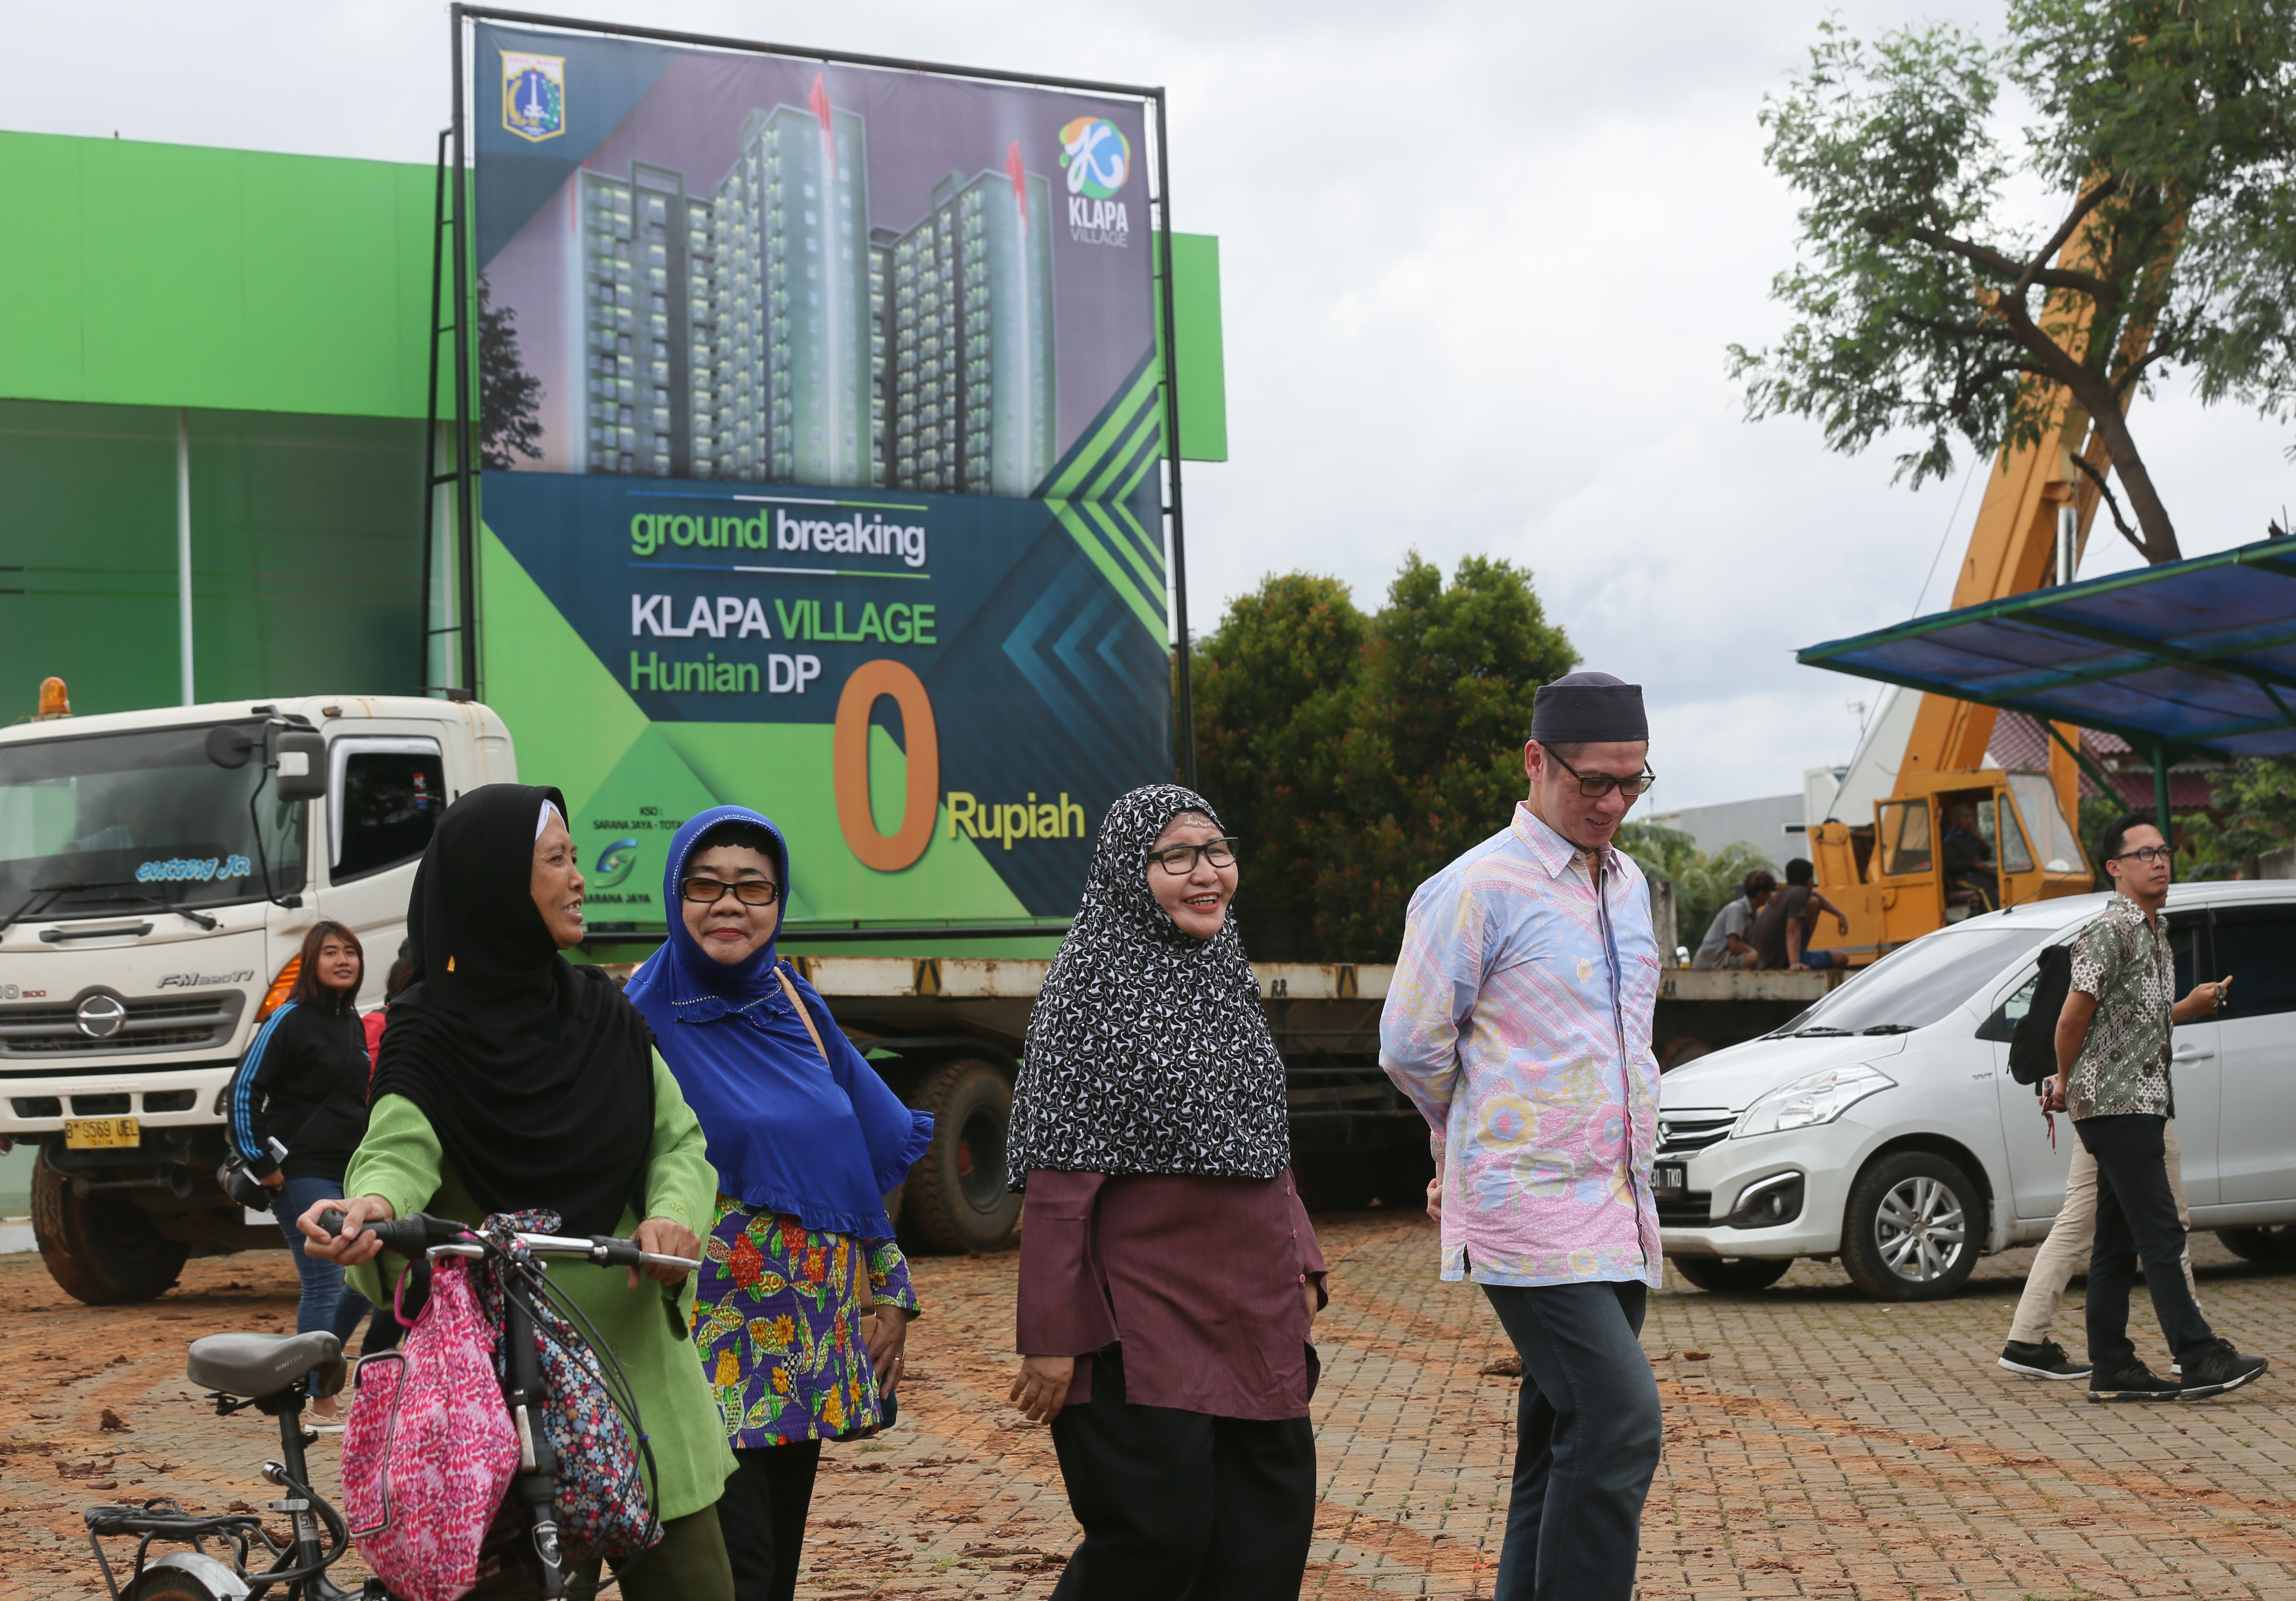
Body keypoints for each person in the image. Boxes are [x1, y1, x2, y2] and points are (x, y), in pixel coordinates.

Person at [299, 784, 735, 1599]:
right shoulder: (430, 1032)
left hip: (642, 1380)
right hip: (508, 1406)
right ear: (496, 884)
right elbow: (397, 1148)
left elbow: (676, 1142)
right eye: (556, 860)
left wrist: (674, 1216)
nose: (579, 878)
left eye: (575, 858)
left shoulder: (605, 1012)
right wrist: (373, 1209)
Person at [1380, 671, 1663, 1601]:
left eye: (1632, 782)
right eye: (1594, 781)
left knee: (1560, 1441)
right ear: (1536, 762)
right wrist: (1464, 1139)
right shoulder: (1474, 887)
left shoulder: (1628, 884)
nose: (1612, 803)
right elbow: (1410, 1044)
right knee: (1619, 1422)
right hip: (1526, 1203)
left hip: (1617, 1203)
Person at [1007, 784, 1326, 1601]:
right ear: (1128, 871)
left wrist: (1304, 1256)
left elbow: (1263, 1131)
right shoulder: (1088, 985)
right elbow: (1057, 1177)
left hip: (1253, 1303)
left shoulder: (1225, 973)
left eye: (1216, 851)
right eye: (1176, 857)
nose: (1206, 873)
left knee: (1265, 1537)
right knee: (1156, 1539)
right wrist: (1050, 1333)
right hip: (1141, 1315)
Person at [623, 806, 932, 1601]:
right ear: (676, 894)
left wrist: (890, 1288)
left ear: (778, 899)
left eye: (752, 887)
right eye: (706, 885)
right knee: (736, 1572)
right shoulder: (637, 1018)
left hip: (806, 1342)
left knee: (775, 1571)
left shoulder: (793, 1000)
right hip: (701, 1339)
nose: (730, 904)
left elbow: (853, 1156)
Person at [2041, 814, 2267, 1402]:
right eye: (2144, 853)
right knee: (2161, 1233)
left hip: (2140, 1101)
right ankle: (2198, 1355)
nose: (2159, 861)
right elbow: (2071, 1020)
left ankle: (2112, 1367)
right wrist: (2065, 1079)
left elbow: (2134, 1019)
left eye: (2163, 851)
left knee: (2116, 1241)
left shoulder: (2154, 932)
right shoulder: (2110, 932)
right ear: (2115, 868)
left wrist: (2187, 1007)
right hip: (2117, 1106)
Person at [227, 919, 374, 1417]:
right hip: (299, 1171)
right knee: (324, 1281)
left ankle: (316, 1372)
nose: (343, 960)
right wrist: (260, 1160)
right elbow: (243, 1089)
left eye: (350, 951)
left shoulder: (353, 1021)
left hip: (348, 1172)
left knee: (366, 1273)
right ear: (311, 962)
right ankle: (320, 1396)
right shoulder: (288, 1017)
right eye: (330, 952)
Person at [1997, 1118, 2202, 1381]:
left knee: (2076, 1223)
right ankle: (2194, 1346)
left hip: (2096, 1111)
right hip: (2135, 1110)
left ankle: (2027, 1337)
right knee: (2167, 1221)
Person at [1752, 857, 1851, 970]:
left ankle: (1799, 954)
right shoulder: (1799, 893)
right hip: (1782, 961)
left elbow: (1815, 895)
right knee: (1842, 957)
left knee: (1814, 902)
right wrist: (1795, 964)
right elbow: (1792, 930)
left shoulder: (1783, 894)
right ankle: (1798, 959)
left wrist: (1840, 915)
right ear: (1810, 881)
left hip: (1767, 959)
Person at [1690, 869, 1776, 970]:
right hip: (1715, 962)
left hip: (1727, 959)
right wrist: (1755, 953)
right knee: (1754, 958)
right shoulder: (1737, 909)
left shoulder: (1755, 915)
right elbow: (1734, 945)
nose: (1771, 896)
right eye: (1769, 893)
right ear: (1761, 894)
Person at [1943, 800, 2000, 912]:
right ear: (1958, 819)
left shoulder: (1972, 837)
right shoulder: (1951, 841)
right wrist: (1973, 865)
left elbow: (1987, 856)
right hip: (1961, 878)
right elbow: (1950, 865)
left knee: (1998, 879)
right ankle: (1995, 914)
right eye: (1966, 817)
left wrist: (1979, 838)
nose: (1970, 820)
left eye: (1970, 817)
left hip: (1977, 875)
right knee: (1986, 886)